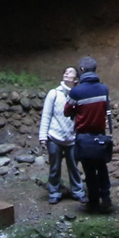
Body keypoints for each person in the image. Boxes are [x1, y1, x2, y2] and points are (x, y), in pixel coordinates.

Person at [64, 56, 113, 213]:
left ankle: (93, 202)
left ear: (82, 70)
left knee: (89, 171)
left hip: (84, 136)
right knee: (102, 168)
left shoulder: (76, 91)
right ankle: (106, 198)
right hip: (100, 136)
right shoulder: (104, 89)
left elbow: (66, 111)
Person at [39, 66, 85, 204]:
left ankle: (78, 191)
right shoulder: (54, 93)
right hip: (54, 137)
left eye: (70, 72)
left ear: (76, 79)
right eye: (66, 71)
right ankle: (54, 192)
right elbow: (46, 115)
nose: (66, 73)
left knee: (74, 167)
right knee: (54, 167)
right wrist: (43, 136)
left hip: (72, 138)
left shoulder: (78, 95)